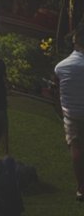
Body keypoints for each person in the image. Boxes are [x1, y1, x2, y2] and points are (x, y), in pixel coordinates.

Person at [55, 24, 84, 201]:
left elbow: (57, 92)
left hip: (72, 113)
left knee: (76, 146)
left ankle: (81, 186)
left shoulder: (61, 67)